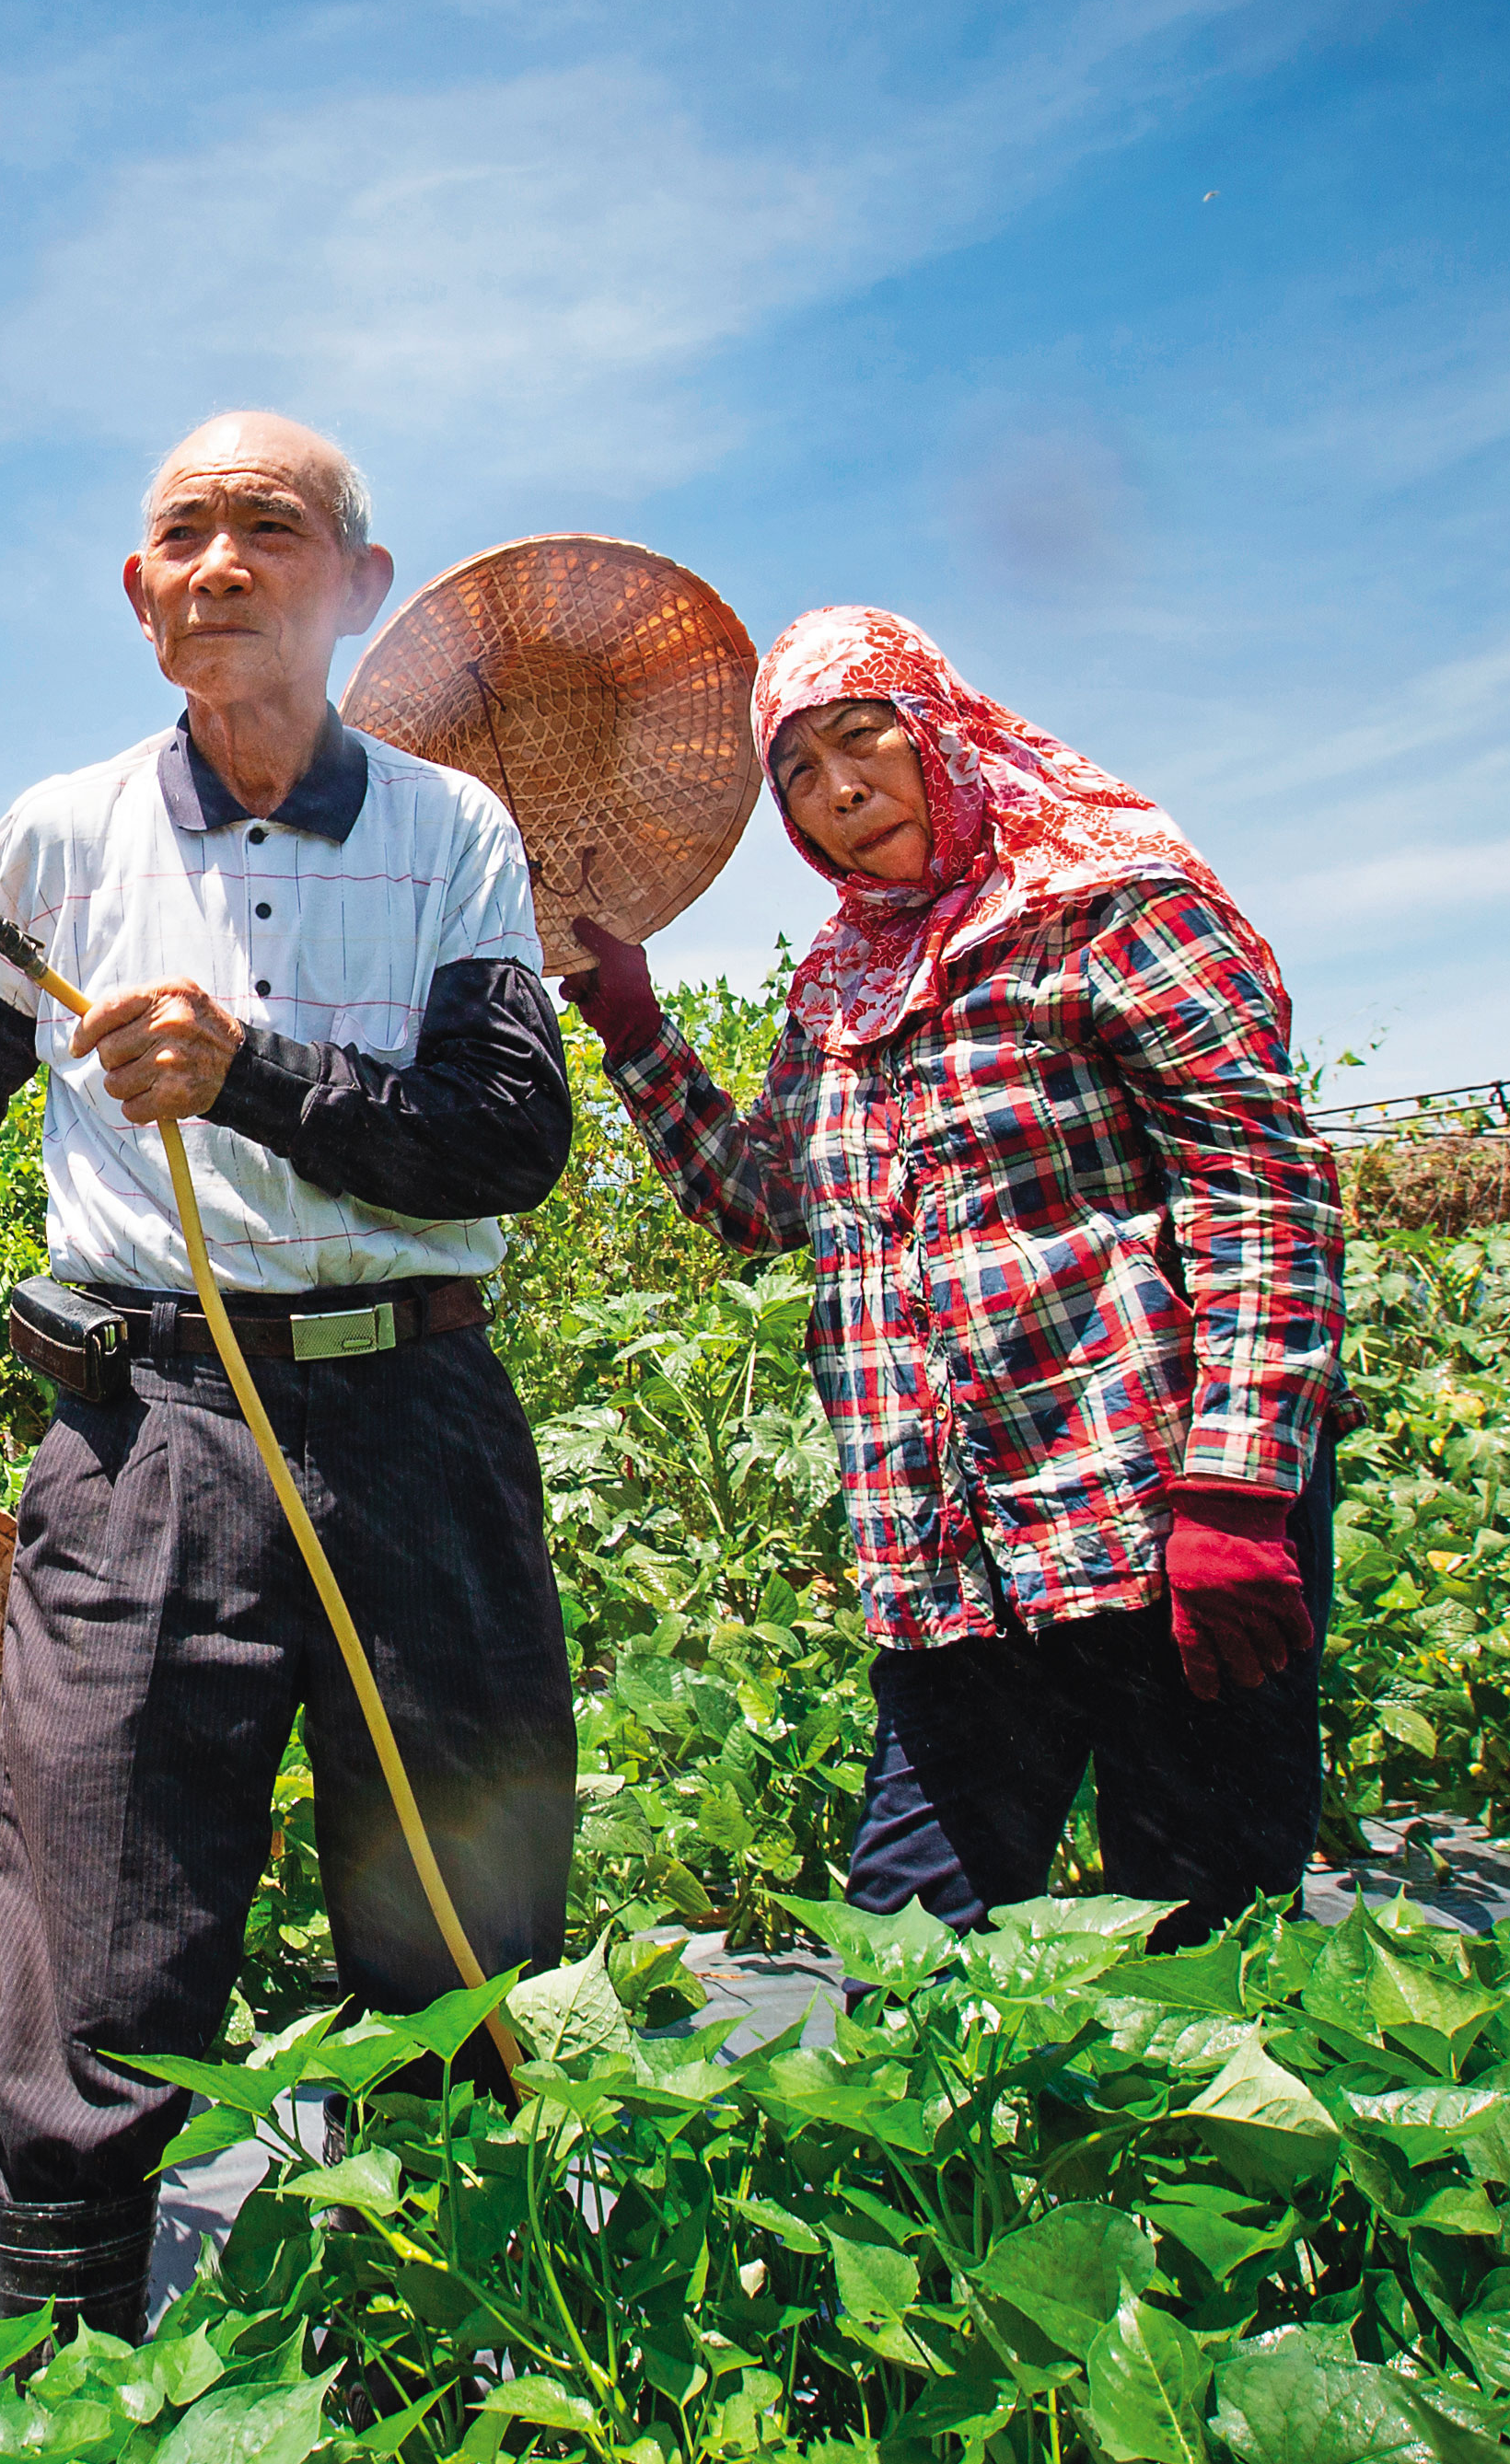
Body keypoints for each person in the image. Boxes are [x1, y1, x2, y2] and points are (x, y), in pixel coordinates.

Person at [0, 410, 576, 2341]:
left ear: (356, 588)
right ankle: (59, 2391)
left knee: (458, 1896)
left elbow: (507, 1141)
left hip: (417, 1422)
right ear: (138, 600)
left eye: (267, 529)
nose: (217, 564)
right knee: (94, 1896)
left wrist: (255, 1078)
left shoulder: (453, 834)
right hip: (152, 1435)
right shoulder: (63, 837)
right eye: (179, 535)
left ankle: (466, 2385)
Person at [558, 607, 1341, 1943]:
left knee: (1199, 1958)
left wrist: (1237, 1489)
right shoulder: (840, 978)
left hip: (1157, 1522)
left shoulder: (1108, 903)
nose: (837, 790)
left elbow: (1257, 1184)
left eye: (863, 740)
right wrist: (633, 1024)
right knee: (906, 1953)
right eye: (796, 773)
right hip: (953, 1555)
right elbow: (772, 1202)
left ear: (943, 735)